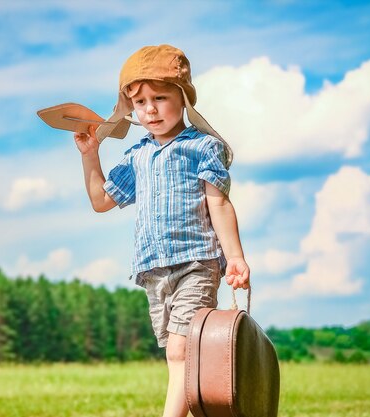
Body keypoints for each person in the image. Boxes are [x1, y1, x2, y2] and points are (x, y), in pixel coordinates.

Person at [74, 44, 250, 417]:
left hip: (196, 262)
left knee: (180, 350)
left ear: (183, 97)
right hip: (154, 270)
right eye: (139, 102)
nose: (150, 109)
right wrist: (90, 154)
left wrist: (234, 257)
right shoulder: (138, 155)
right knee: (180, 355)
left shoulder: (203, 147)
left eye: (160, 97)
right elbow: (101, 201)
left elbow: (218, 204)